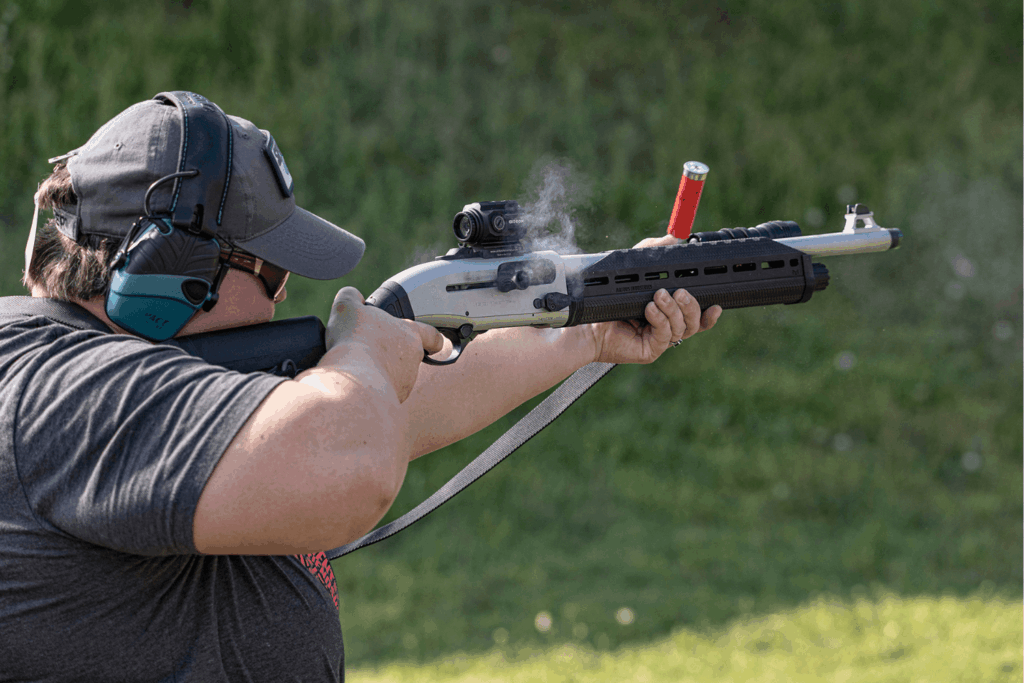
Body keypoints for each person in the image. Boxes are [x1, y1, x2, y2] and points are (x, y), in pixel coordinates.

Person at [0, 93, 721, 682]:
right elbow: (346, 459)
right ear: (170, 274)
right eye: (272, 274)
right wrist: (367, 352)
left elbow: (396, 413)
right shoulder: (56, 390)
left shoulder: (112, 385)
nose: (283, 300)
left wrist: (589, 329)